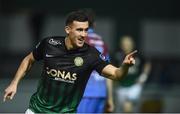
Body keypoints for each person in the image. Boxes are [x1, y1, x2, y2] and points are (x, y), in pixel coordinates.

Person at [3, 10, 137, 113]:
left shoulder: (91, 54)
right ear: (68, 29)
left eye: (85, 30)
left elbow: (116, 74)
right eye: (79, 30)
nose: (84, 35)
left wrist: (125, 66)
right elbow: (29, 59)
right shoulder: (49, 44)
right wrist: (14, 83)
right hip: (37, 111)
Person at [77, 9, 114, 113]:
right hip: (101, 93)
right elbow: (109, 71)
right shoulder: (101, 42)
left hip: (84, 94)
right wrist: (110, 98)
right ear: (95, 24)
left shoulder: (80, 40)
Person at [114, 35, 151, 113]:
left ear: (132, 44)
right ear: (121, 45)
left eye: (128, 44)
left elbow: (147, 64)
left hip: (134, 86)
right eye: (124, 44)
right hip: (121, 86)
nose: (126, 46)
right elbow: (112, 67)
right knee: (122, 110)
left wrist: (143, 77)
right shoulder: (118, 55)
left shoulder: (138, 55)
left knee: (128, 107)